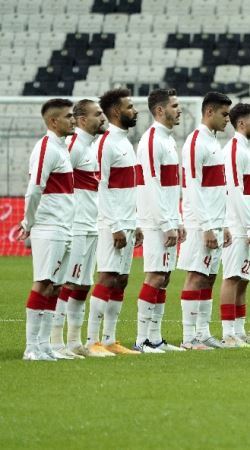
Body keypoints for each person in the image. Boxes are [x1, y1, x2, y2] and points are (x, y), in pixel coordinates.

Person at [16, 98, 76, 361]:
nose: (73, 120)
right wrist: (27, 222)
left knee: (56, 285)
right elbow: (34, 189)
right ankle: (32, 347)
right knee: (43, 283)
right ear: (54, 121)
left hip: (64, 227)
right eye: (68, 116)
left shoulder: (62, 148)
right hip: (49, 227)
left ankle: (45, 345)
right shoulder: (46, 148)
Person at [178, 92, 232, 349]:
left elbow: (217, 189)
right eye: (224, 114)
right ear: (209, 112)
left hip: (216, 221)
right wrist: (207, 226)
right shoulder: (195, 141)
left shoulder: (213, 142)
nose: (228, 120)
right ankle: (190, 337)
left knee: (209, 277)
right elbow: (192, 186)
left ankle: (203, 332)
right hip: (199, 223)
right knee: (196, 275)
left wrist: (224, 224)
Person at [89, 88, 142, 355]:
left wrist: (136, 221)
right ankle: (91, 341)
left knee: (121, 280)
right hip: (111, 224)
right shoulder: (105, 143)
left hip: (129, 221)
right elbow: (100, 187)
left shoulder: (125, 142)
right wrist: (114, 225)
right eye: (130, 106)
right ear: (115, 112)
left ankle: (110, 339)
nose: (135, 111)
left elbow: (128, 188)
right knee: (107, 276)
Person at [134, 88, 185, 353]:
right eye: (175, 106)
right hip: (154, 220)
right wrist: (165, 223)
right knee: (154, 275)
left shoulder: (166, 139)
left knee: (164, 277)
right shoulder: (152, 139)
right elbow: (152, 184)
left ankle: (155, 338)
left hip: (165, 218)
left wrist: (177, 219)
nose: (180, 110)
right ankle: (142, 339)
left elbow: (170, 187)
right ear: (159, 111)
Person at [59, 99, 109, 357]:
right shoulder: (73, 146)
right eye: (97, 114)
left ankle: (74, 342)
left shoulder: (90, 146)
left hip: (91, 225)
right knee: (67, 283)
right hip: (75, 225)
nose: (103, 118)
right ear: (81, 120)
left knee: (82, 284)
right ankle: (56, 343)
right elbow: (57, 184)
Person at [220, 103, 250, 347]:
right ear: (241, 124)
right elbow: (235, 191)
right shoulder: (234, 150)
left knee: (245, 277)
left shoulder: (247, 150)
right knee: (232, 276)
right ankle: (228, 333)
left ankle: (239, 329)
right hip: (238, 225)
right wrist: (249, 226)